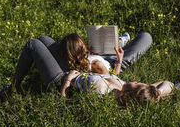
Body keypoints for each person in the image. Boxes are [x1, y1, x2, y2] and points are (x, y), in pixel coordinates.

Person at [8, 32, 153, 93]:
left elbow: (66, 98)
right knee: (44, 38)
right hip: (89, 65)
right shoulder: (120, 84)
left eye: (136, 83)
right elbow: (112, 75)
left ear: (130, 92)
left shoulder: (107, 90)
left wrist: (67, 82)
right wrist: (119, 61)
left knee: (33, 43)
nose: (135, 80)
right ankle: (120, 42)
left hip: (64, 77)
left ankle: (12, 89)